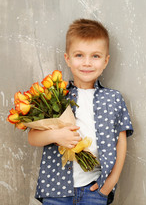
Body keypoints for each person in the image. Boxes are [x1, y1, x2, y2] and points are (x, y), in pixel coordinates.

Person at [28, 18, 133, 204]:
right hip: (56, 190)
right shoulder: (55, 97)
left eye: (95, 56)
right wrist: (57, 135)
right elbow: (33, 137)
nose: (87, 63)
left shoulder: (114, 98)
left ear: (106, 61)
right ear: (67, 59)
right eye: (79, 55)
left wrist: (112, 181)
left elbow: (121, 140)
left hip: (95, 188)